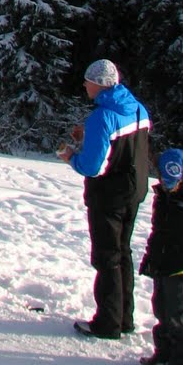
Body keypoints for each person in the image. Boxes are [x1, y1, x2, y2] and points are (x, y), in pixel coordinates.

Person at [59, 58, 150, 339]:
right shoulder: (137, 107)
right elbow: (126, 145)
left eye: (87, 81)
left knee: (107, 257)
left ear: (98, 84)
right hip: (135, 189)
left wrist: (70, 156)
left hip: (108, 196)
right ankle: (125, 318)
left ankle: (107, 323)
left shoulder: (101, 116)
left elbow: (93, 167)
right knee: (123, 252)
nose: (84, 85)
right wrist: (90, 137)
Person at [139, 148, 183, 365]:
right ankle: (163, 352)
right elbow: (158, 231)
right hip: (163, 262)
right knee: (161, 309)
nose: (169, 185)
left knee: (178, 315)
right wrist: (151, 257)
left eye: (174, 181)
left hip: (179, 267)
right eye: (165, 180)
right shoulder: (163, 198)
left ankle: (180, 361)